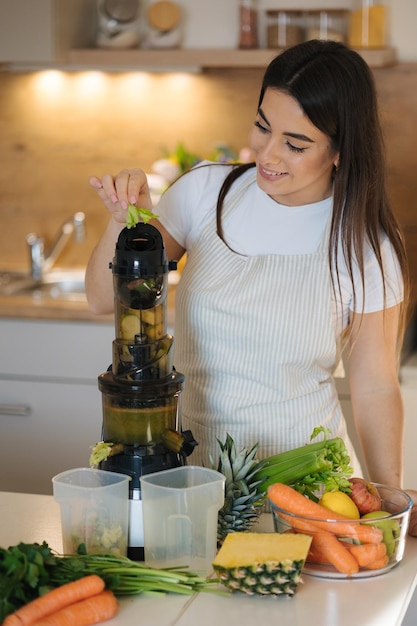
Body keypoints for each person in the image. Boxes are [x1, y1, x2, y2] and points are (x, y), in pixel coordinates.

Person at [85, 39, 416, 534]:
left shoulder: (364, 243)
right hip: (189, 483)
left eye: (296, 143)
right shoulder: (205, 194)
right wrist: (122, 222)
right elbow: (97, 298)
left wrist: (388, 498)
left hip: (309, 491)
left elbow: (373, 384)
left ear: (341, 150)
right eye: (263, 125)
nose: (267, 153)